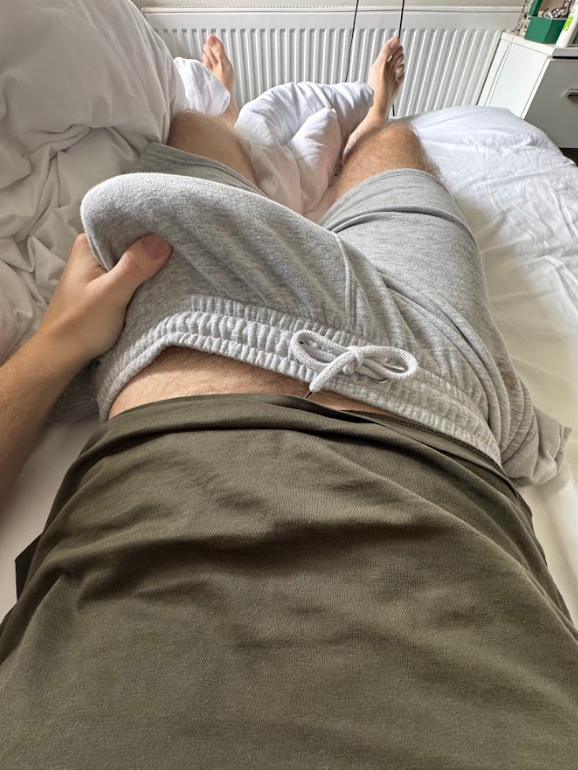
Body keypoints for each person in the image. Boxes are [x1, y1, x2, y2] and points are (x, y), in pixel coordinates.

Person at [0, 34, 577, 769]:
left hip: (201, 319)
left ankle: (246, 114)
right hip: (428, 391)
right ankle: (370, 120)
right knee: (394, 150)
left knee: (195, 132)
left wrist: (57, 344)